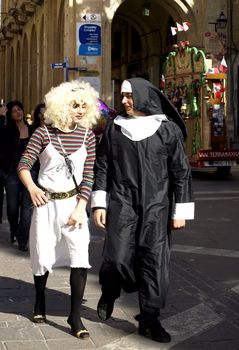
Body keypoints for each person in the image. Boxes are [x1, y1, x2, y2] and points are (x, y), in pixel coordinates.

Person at [91, 77, 194, 343]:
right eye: (122, 96)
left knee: (153, 262)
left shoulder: (166, 130)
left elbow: (181, 173)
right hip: (122, 201)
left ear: (143, 96)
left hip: (157, 206)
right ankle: (110, 290)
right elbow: (102, 166)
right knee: (115, 256)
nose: (123, 101)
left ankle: (149, 319)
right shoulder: (115, 128)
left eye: (129, 96)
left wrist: (180, 210)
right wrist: (99, 202)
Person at [18, 80, 100, 339]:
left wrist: (81, 207)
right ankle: (39, 300)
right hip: (46, 205)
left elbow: (89, 175)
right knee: (42, 256)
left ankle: (74, 316)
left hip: (74, 205)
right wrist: (32, 188)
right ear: (61, 105)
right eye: (74, 105)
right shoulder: (43, 133)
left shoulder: (88, 135)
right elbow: (23, 164)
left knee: (80, 257)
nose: (79, 110)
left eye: (83, 106)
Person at [0, 101, 36, 249]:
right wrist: (1, 117)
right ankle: (14, 229)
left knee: (27, 208)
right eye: (14, 111)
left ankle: (23, 239)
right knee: (13, 207)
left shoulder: (33, 129)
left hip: (30, 172)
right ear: (10, 114)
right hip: (13, 174)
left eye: (19, 109)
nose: (18, 112)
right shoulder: (8, 130)